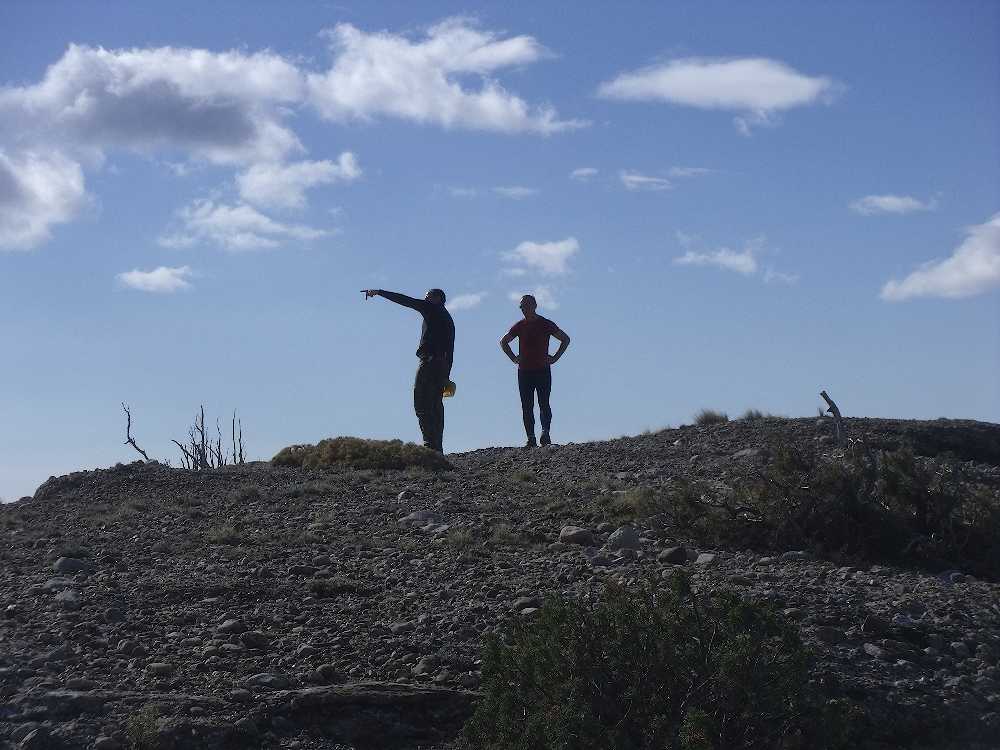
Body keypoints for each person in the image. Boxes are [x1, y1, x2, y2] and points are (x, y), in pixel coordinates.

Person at [363, 288, 455, 453]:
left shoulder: (432, 309)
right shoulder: (448, 318)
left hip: (429, 363)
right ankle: (437, 448)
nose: (424, 300)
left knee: (421, 403)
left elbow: (406, 301)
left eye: (428, 297)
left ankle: (430, 447)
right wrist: (446, 374)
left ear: (437, 299)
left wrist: (379, 292)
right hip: (441, 366)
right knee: (435, 405)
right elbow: (451, 349)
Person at [500, 295, 571, 447]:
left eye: (526, 306)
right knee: (527, 406)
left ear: (534, 305)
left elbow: (565, 339)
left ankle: (545, 433)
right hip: (524, 371)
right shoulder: (519, 326)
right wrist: (513, 358)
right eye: (521, 307)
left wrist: (555, 357)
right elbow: (503, 341)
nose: (523, 309)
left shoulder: (545, 324)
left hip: (542, 369)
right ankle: (530, 437)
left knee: (543, 403)